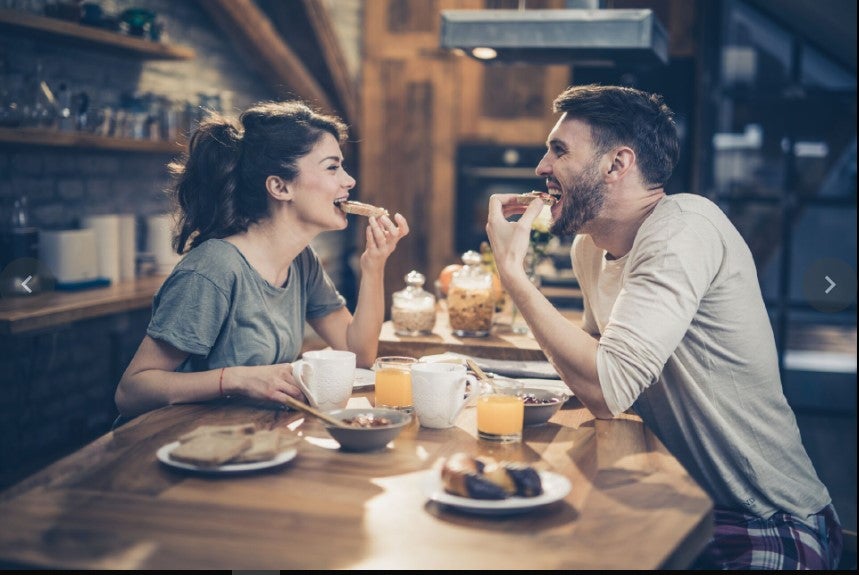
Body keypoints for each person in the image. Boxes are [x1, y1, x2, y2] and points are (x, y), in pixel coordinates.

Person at [485, 84, 842, 570]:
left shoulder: (683, 227)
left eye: (559, 150)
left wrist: (514, 276)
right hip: (685, 501)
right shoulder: (589, 247)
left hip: (766, 517)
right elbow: (597, 363)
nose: (541, 168)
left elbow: (607, 386)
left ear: (617, 164)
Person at [116, 101, 409, 419]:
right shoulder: (213, 270)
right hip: (173, 448)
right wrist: (236, 379)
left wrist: (374, 265)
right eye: (332, 167)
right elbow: (132, 392)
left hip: (250, 438)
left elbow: (359, 355)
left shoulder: (302, 262)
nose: (349, 181)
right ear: (280, 187)